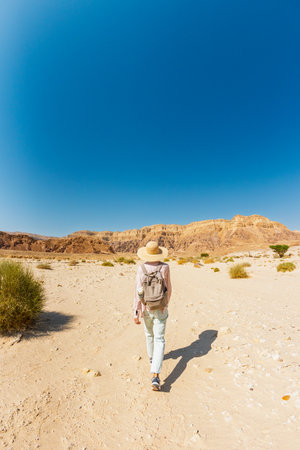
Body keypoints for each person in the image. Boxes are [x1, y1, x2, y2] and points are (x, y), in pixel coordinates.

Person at [133, 241, 172, 391]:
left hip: (146, 307)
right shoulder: (165, 267)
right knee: (159, 339)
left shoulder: (141, 268)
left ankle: (152, 359)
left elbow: (138, 292)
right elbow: (168, 289)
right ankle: (155, 375)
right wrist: (165, 305)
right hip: (160, 307)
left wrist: (136, 311)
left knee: (149, 335)